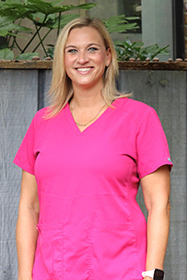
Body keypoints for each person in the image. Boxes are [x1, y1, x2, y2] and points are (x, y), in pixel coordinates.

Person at [14, 17, 173, 280]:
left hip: (122, 270)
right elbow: (29, 207)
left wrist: (152, 275)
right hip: (53, 270)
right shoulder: (42, 123)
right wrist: (24, 276)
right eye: (72, 50)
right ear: (63, 61)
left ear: (108, 56)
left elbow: (159, 204)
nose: (82, 59)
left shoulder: (139, 118)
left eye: (92, 49)